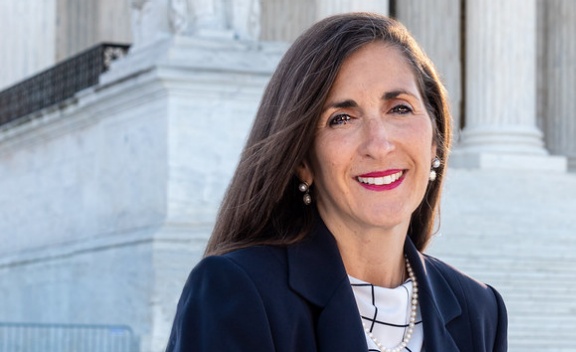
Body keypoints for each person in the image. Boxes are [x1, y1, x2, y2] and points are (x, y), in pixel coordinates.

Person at [165, 12, 507, 352]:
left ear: (435, 139)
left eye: (399, 109)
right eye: (341, 118)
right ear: (302, 162)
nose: (379, 144)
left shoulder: (479, 310)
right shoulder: (238, 291)